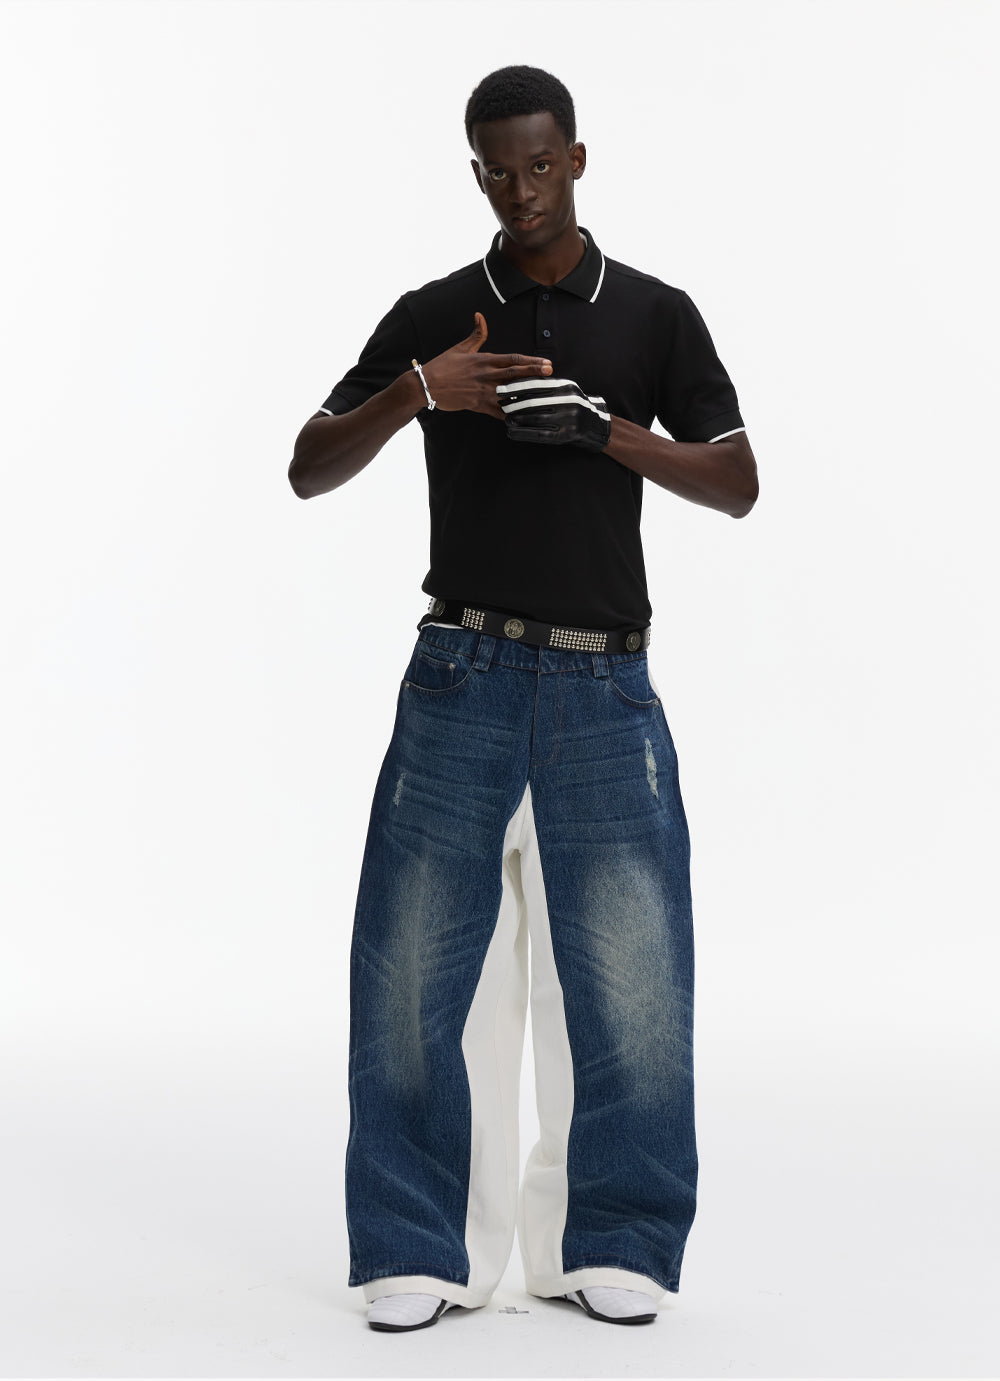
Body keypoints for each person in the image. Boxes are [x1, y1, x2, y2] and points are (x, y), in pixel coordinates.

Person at [288, 64, 757, 1334]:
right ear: (476, 172)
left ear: (578, 159)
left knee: (633, 974)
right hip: (462, 671)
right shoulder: (435, 313)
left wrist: (604, 431)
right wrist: (418, 391)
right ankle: (414, 1241)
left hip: (605, 678)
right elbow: (306, 468)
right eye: (496, 169)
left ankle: (615, 1237)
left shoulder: (654, 314)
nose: (520, 189)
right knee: (410, 969)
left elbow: (736, 481)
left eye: (540, 164)